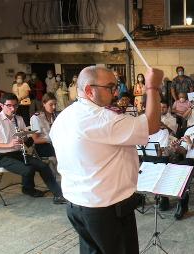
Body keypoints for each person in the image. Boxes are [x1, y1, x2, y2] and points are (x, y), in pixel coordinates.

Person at [49, 66, 163, 254]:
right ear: (89, 90)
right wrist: (152, 88)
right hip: (106, 208)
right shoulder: (103, 118)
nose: (116, 91)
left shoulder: (65, 115)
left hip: (77, 204)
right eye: (110, 87)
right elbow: (152, 125)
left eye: (116, 86)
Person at [0, 93, 65, 204]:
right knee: (28, 169)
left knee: (43, 166)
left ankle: (58, 195)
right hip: (1, 156)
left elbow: (26, 138)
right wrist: (8, 145)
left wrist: (26, 137)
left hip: (17, 153)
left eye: (15, 105)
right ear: (1, 105)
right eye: (9, 105)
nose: (13, 109)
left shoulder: (18, 119)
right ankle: (28, 189)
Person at [30, 93, 57, 158]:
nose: (54, 107)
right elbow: (35, 140)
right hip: (42, 146)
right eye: (51, 105)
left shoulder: (55, 116)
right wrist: (51, 139)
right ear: (44, 104)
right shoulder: (36, 117)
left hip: (54, 143)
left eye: (55, 104)